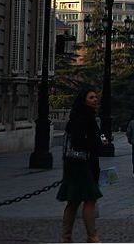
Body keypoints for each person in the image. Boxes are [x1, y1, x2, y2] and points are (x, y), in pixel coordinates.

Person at [57, 87, 105, 243]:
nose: (95, 99)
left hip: (77, 164)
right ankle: (92, 237)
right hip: (81, 164)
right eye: (91, 97)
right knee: (89, 200)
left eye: (96, 97)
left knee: (74, 201)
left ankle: (66, 237)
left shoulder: (82, 116)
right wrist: (96, 143)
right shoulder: (83, 118)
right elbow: (79, 142)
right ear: (84, 100)